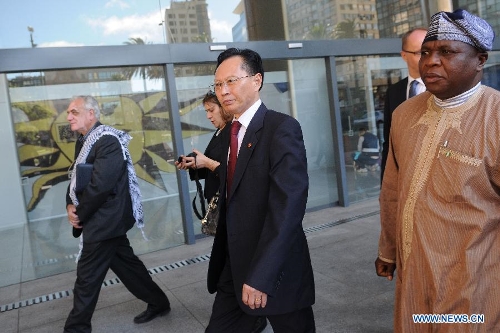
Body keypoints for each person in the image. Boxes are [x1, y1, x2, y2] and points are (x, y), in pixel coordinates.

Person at [375, 9, 500, 331]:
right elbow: (392, 189)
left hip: (474, 278)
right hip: (414, 270)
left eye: (446, 52)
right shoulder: (404, 114)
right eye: (426, 52)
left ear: (480, 60)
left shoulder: (495, 117)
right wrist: (388, 251)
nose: (430, 61)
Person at [205, 48, 316, 333]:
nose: (223, 90)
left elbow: (288, 208)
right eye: (218, 84)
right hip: (234, 265)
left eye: (231, 81)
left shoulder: (281, 128)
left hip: (275, 270)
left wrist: (262, 276)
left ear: (256, 81)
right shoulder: (233, 131)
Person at [64, 96, 170, 332]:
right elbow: (76, 178)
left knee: (87, 280)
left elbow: (101, 185)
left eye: (73, 112)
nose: (69, 117)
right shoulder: (84, 141)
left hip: (104, 221)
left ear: (91, 114)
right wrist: (69, 205)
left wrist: (80, 213)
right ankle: (159, 302)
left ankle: (76, 328)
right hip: (102, 220)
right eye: (68, 113)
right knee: (128, 268)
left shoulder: (107, 140)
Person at [177, 91, 268, 333]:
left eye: (211, 110)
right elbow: (215, 165)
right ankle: (252, 314)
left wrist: (206, 163)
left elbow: (235, 172)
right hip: (226, 213)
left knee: (236, 269)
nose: (208, 115)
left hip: (235, 214)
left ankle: (250, 314)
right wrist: (195, 164)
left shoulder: (235, 132)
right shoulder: (222, 133)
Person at [380, 27, 427, 180]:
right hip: (403, 179)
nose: (428, 57)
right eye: (420, 52)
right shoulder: (394, 92)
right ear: (404, 55)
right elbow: (389, 142)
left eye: (431, 51)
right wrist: (386, 185)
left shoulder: (446, 90)